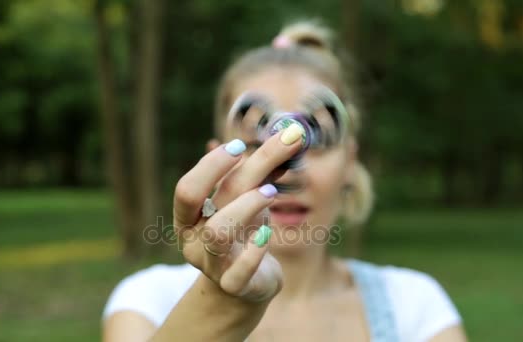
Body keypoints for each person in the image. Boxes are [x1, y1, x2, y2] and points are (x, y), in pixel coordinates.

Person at [102, 21, 467, 342]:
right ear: (216, 161)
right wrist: (223, 304)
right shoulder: (148, 300)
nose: (289, 168)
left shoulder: (414, 306)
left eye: (317, 138)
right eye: (256, 141)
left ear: (349, 163)